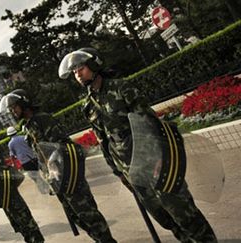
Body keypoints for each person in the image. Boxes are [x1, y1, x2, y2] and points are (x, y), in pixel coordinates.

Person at [58, 47, 217, 242]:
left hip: (154, 162)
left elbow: (150, 122)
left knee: (183, 211)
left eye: (80, 68)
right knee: (163, 217)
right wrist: (119, 173)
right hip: (131, 170)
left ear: (93, 64)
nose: (77, 74)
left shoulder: (121, 87)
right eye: (74, 72)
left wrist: (162, 158)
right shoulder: (88, 105)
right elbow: (104, 141)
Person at [0, 89, 117, 243]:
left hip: (69, 177)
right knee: (76, 216)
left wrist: (56, 167)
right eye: (10, 109)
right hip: (57, 180)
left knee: (88, 214)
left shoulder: (43, 120)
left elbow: (60, 146)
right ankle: (100, 240)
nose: (12, 111)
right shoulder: (28, 127)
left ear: (24, 103)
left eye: (14, 106)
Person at [6, 126, 51, 194]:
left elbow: (12, 156)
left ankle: (44, 190)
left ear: (9, 135)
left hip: (25, 163)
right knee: (45, 172)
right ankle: (50, 186)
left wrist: (15, 166)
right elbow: (32, 146)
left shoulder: (10, 144)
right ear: (15, 132)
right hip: (33, 158)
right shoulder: (23, 137)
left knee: (35, 177)